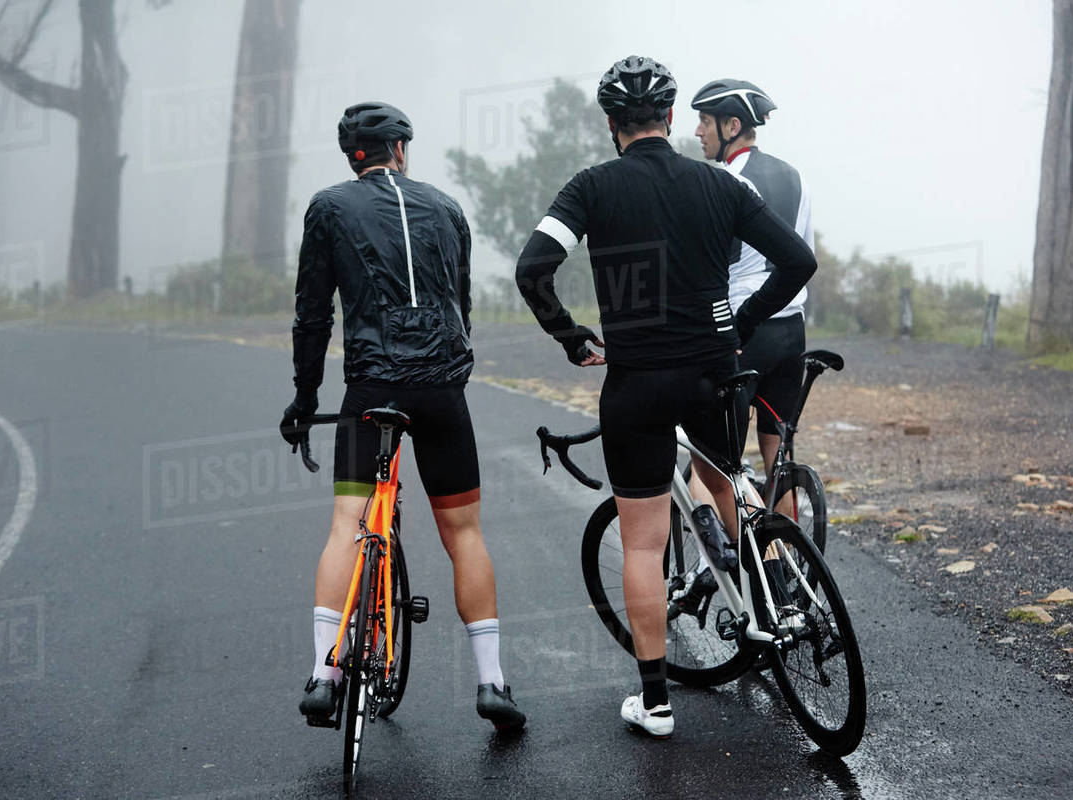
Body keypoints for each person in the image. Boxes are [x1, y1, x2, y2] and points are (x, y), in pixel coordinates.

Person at [514, 56, 817, 737]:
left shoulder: (590, 188)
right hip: (716, 371)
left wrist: (571, 338)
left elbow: (533, 269)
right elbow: (797, 259)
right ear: (673, 118)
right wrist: (737, 324)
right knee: (730, 479)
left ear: (611, 125)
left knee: (645, 545)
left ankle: (654, 704)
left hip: (636, 382)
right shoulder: (716, 183)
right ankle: (770, 604)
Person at [281, 101, 524, 731]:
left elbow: (313, 317)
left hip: (372, 389)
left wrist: (305, 402)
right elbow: (461, 307)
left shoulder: (329, 207)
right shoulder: (446, 207)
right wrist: (448, 374)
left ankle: (322, 674)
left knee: (347, 526)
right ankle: (493, 683)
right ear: (400, 149)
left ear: (352, 156)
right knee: (464, 534)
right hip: (442, 388)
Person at [691, 79, 814, 498]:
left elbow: (709, 264)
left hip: (744, 328)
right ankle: (785, 560)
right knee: (779, 459)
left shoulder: (723, 181)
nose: (697, 132)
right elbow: (803, 253)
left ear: (731, 125)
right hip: (791, 329)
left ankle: (735, 559)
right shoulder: (797, 177)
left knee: (712, 459)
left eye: (704, 121)